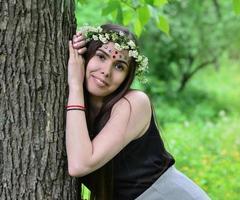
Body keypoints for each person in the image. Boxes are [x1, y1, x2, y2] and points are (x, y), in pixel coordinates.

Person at [66, 23, 210, 200]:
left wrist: (75, 85)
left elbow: (79, 165)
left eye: (119, 66)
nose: (106, 72)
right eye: (101, 57)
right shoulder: (79, 113)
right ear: (85, 56)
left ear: (128, 76)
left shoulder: (134, 103)